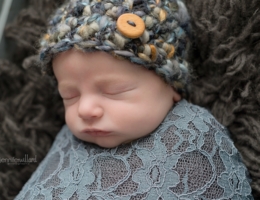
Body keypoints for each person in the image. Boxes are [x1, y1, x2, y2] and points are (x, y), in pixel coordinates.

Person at [15, 0, 253, 199]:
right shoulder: (65, 143)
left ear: (170, 83)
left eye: (114, 90)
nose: (85, 109)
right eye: (69, 95)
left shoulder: (195, 133)